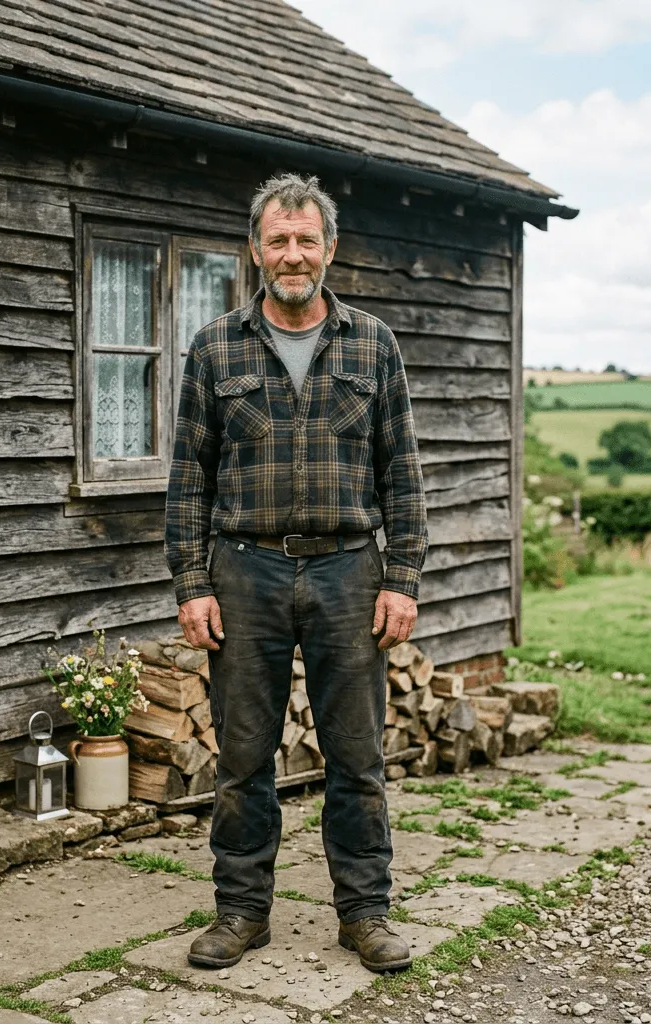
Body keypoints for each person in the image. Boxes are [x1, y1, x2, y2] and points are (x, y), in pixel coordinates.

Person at [165, 173, 428, 973]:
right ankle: (242, 911)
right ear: (255, 250)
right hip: (245, 572)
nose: (291, 254)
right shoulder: (215, 347)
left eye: (305, 239)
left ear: (329, 249)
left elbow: (403, 474)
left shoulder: (373, 344)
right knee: (244, 757)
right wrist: (191, 583)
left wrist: (403, 576)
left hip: (351, 569)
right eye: (276, 240)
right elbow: (188, 479)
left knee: (358, 757)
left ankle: (364, 913)